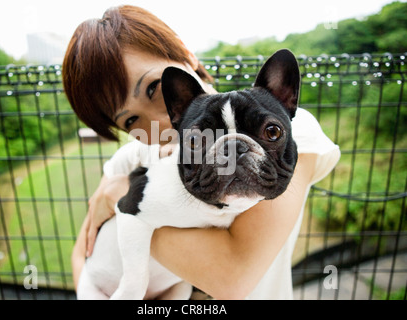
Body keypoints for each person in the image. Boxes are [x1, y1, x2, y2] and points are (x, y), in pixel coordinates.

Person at [63, 5, 340, 299]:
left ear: (184, 53)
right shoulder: (132, 156)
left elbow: (231, 279)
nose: (159, 123)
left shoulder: (287, 127)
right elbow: (82, 256)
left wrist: (127, 200)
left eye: (155, 88)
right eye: (131, 120)